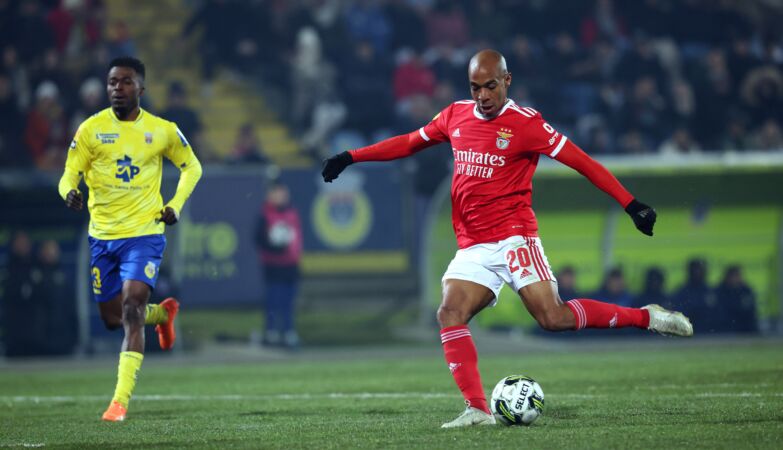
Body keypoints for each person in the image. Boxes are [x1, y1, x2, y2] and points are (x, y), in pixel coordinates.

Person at [321, 49, 693, 428]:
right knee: (449, 312)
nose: (482, 96)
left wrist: (630, 204)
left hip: (514, 238)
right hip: (473, 246)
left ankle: (648, 316)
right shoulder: (455, 115)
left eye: (490, 86)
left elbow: (584, 162)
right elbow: (409, 142)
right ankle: (478, 410)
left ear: (507, 81)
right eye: (475, 87)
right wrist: (352, 156)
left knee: (553, 318)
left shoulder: (526, 124)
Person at [58, 57, 202, 422]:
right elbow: (67, 175)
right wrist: (69, 192)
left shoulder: (162, 130)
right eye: (111, 82)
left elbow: (192, 166)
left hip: (145, 234)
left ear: (141, 88)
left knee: (130, 308)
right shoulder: (90, 130)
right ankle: (163, 315)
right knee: (111, 318)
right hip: (102, 237)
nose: (116, 89)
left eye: (125, 82)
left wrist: (175, 205)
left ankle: (118, 403)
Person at [254, 181, 303, 349]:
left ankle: (289, 332)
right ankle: (271, 332)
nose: (281, 197)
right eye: (277, 193)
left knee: (288, 301)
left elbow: (297, 239)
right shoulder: (265, 215)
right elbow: (259, 239)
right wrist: (275, 247)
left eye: (283, 193)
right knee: (273, 299)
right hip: (273, 266)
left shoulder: (292, 213)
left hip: (290, 265)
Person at [713, 265, 758, 333]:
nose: (734, 279)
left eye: (736, 276)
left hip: (744, 327)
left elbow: (750, 313)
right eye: (732, 276)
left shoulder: (746, 291)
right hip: (724, 328)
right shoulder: (719, 291)